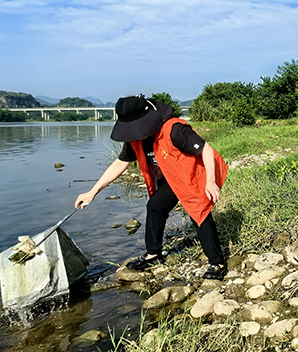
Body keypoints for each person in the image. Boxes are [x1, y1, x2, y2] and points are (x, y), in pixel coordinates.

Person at [75, 95, 229, 280]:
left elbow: (206, 149)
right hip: (172, 178)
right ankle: (153, 255)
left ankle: (217, 263)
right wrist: (93, 192)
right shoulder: (135, 138)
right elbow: (119, 163)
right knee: (155, 206)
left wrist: (210, 181)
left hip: (194, 174)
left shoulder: (174, 129)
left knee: (199, 213)